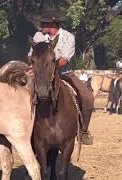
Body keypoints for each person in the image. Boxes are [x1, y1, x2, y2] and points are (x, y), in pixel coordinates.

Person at [28, 8, 95, 145]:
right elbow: (30, 54)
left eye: (43, 23)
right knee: (22, 95)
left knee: (87, 97)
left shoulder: (69, 37)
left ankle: (83, 131)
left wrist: (50, 66)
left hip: (64, 73)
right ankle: (25, 128)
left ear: (53, 24)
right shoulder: (38, 36)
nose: (41, 26)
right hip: (40, 74)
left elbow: (65, 59)